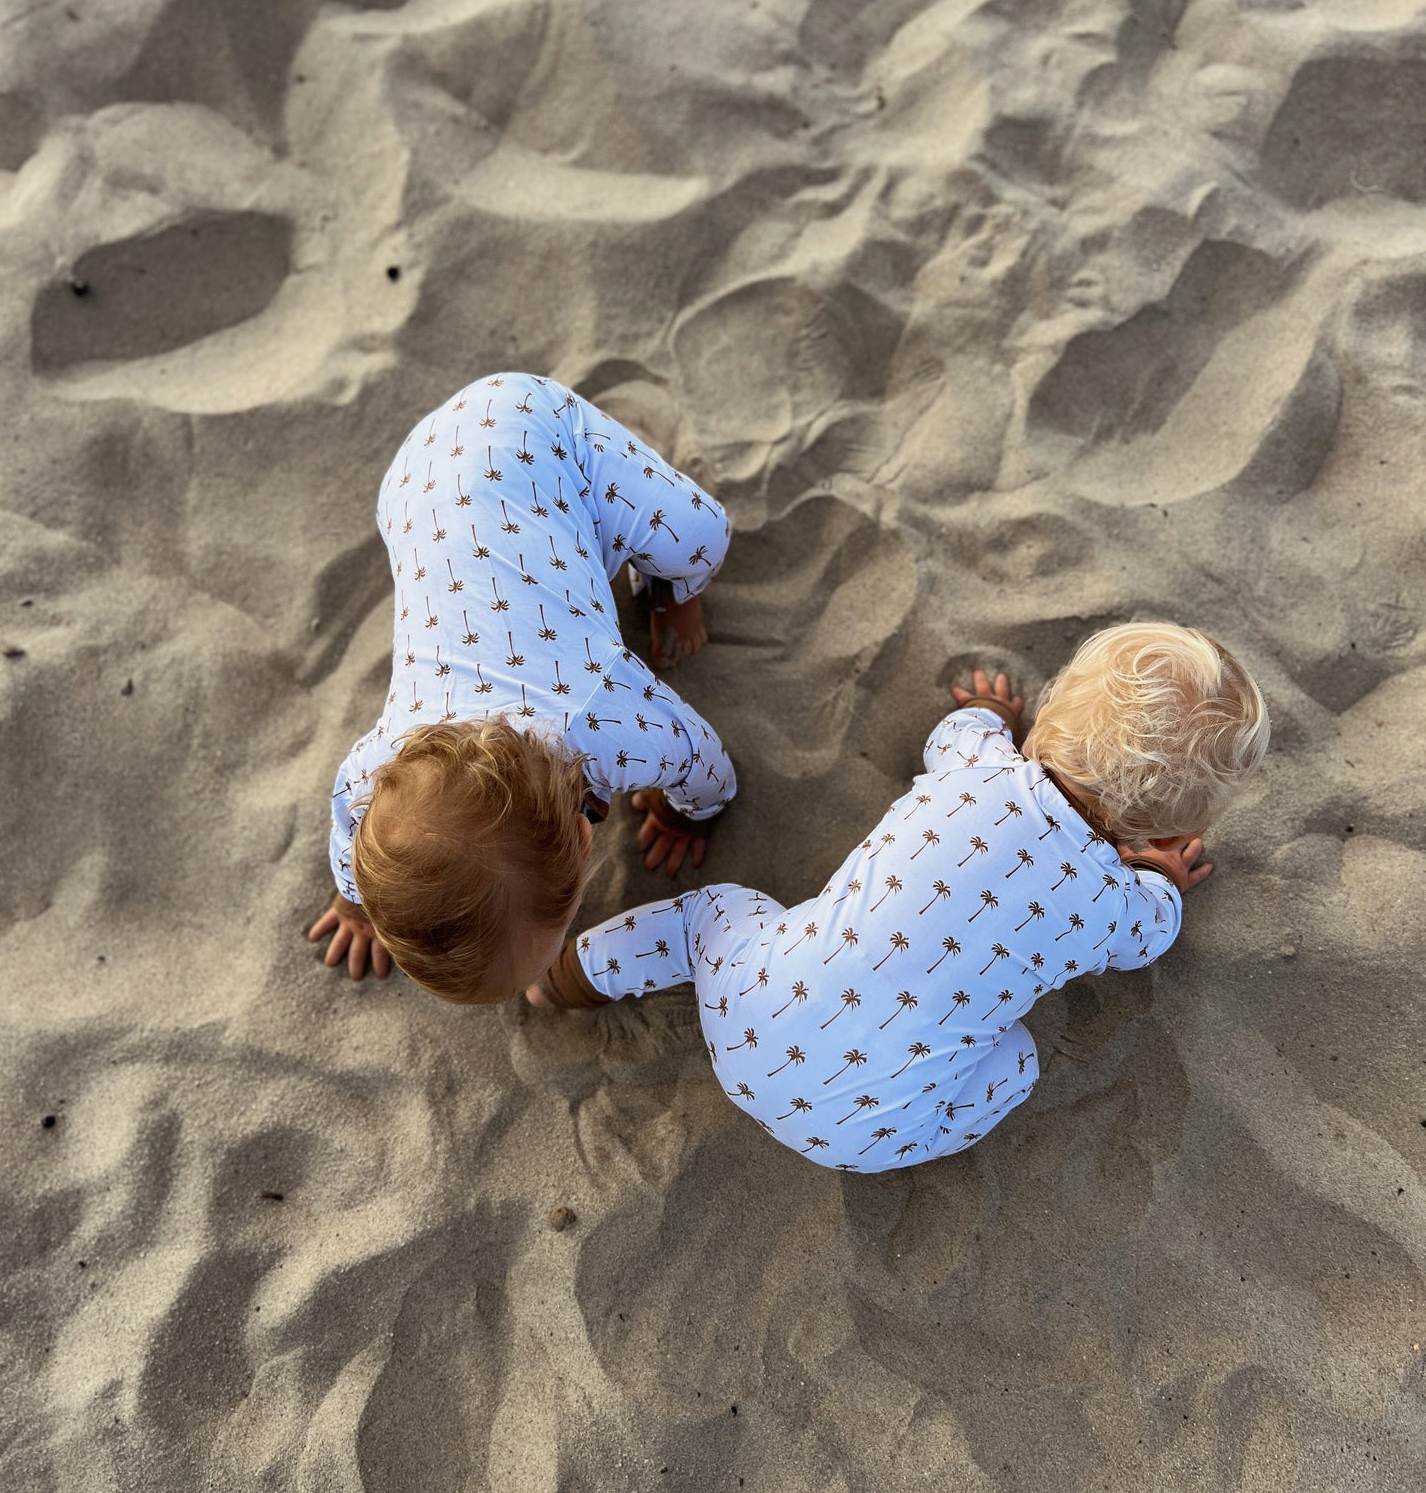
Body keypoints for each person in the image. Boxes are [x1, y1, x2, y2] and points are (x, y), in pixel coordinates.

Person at [527, 624, 1269, 1169]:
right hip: (863, 1137)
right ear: (1174, 826)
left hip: (748, 1017)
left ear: (1049, 720)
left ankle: (571, 977)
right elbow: (1152, 933)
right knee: (1014, 1062)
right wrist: (1160, 878)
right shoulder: (1110, 907)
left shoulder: (976, 764)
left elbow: (957, 729)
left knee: (711, 914)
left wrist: (993, 715)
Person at [309, 372, 736, 999]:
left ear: (586, 835)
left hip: (537, 433)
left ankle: (672, 591)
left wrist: (684, 817)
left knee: (702, 536)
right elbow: (351, 827)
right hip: (413, 481)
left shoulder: (605, 719)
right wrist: (355, 903)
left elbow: (706, 765)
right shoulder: (379, 766)